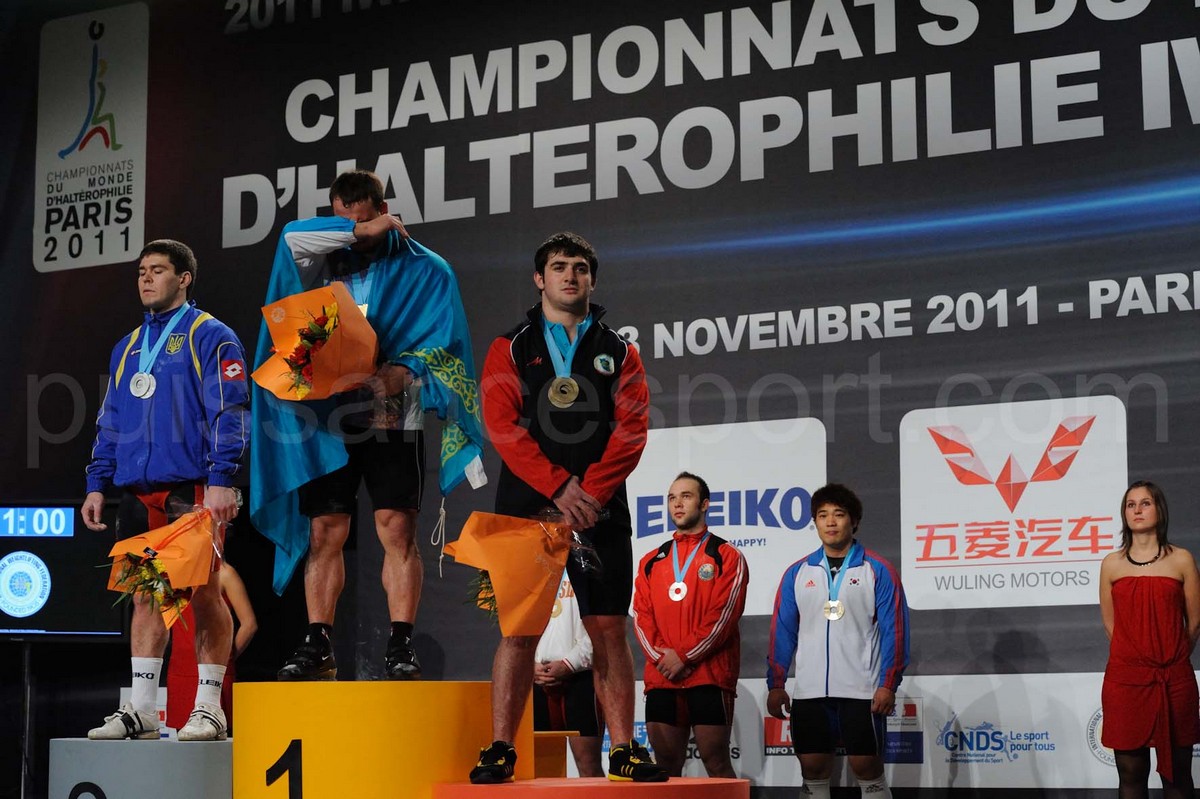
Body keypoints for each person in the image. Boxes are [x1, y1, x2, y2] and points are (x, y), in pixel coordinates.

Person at [250, 170, 485, 682]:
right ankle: (318, 643)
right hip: (326, 413)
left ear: (384, 209)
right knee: (324, 529)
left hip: (392, 405)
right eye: (345, 222)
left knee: (396, 526)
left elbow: (446, 341)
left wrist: (408, 370)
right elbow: (290, 235)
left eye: (363, 220)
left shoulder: (427, 268)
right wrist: (358, 231)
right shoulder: (319, 256)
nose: (355, 234)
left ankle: (401, 644)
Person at [471, 231, 665, 783]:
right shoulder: (510, 347)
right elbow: (502, 426)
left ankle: (623, 749)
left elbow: (631, 430)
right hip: (526, 509)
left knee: (607, 629)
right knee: (518, 633)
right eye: (559, 267)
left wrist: (592, 495)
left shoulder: (620, 351)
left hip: (599, 511)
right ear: (540, 279)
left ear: (592, 280)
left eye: (580, 267)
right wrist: (560, 489)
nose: (570, 276)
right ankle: (501, 748)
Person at [82, 239, 248, 741]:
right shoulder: (127, 346)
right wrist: (97, 483)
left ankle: (209, 707)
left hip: (191, 489)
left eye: (158, 270)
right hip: (138, 492)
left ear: (184, 278)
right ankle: (142, 709)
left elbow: (231, 410)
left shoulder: (211, 335)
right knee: (144, 597)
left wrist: (221, 479)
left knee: (205, 595)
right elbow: (111, 421)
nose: (147, 278)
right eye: (141, 271)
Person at [766, 483, 909, 799]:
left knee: (867, 769)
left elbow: (895, 632)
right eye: (822, 515)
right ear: (815, 522)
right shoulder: (797, 573)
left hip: (861, 691)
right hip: (810, 692)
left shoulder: (877, 569)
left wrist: (888, 684)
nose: (830, 522)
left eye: (839, 514)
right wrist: (776, 683)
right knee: (813, 771)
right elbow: (782, 632)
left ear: (854, 521)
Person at [632, 472, 748, 777]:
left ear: (705, 504)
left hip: (708, 676)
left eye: (686, 496)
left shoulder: (727, 556)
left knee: (716, 762)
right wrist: (662, 658)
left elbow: (723, 616)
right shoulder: (651, 560)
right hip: (662, 678)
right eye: (672, 498)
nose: (677, 504)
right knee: (665, 767)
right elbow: (641, 618)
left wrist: (683, 656)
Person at [1099, 480, 1200, 799]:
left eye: (1145, 503)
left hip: (1174, 679)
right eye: (1131, 505)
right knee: (1130, 773)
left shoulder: (1182, 559)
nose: (1137, 510)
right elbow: (1111, 625)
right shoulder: (1111, 564)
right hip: (1126, 682)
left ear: (1160, 510)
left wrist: (1171, 655)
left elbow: (1194, 623)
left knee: (1179, 776)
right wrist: (1136, 656)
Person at [166, 562, 257, 735]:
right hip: (181, 671)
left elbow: (249, 624)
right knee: (183, 740)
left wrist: (226, 658)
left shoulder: (225, 573)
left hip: (213, 673)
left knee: (219, 737)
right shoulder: (173, 572)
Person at [533, 573, 604, 777]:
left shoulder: (588, 567)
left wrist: (569, 664)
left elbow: (601, 630)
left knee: (587, 763)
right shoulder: (535, 571)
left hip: (582, 677)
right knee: (541, 767)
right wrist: (529, 663)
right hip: (538, 677)